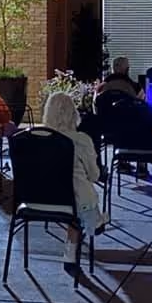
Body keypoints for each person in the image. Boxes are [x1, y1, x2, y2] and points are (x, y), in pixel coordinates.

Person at [42, 92, 108, 276]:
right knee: (79, 204)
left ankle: (72, 252)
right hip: (73, 201)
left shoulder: (34, 139)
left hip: (39, 199)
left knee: (74, 205)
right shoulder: (80, 140)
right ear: (73, 113)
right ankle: (91, 227)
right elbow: (94, 176)